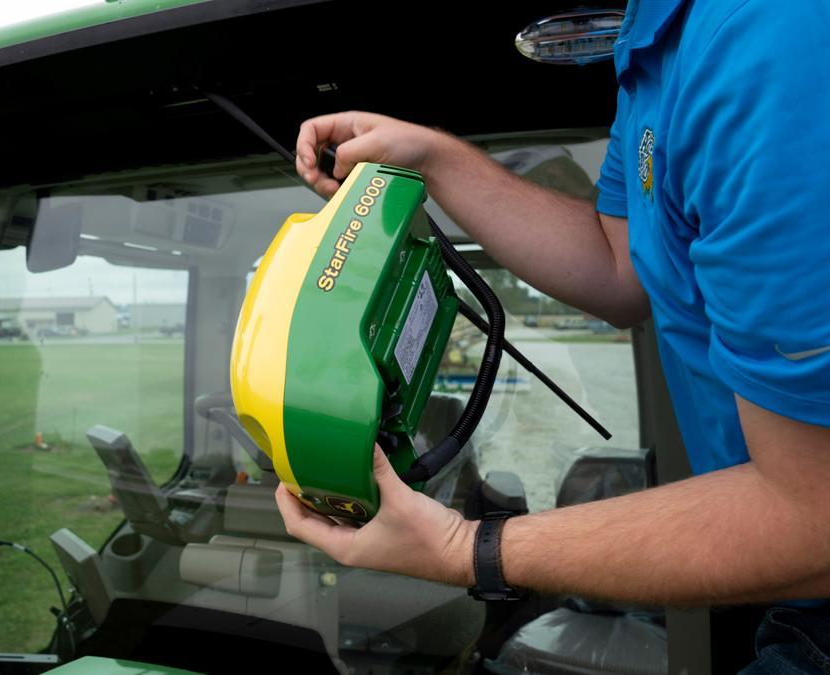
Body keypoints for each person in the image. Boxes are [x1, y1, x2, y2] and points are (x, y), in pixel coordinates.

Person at [276, 0, 830, 671]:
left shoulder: (767, 37)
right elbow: (621, 263)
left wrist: (466, 548)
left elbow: (815, 515)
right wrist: (436, 158)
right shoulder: (653, 43)